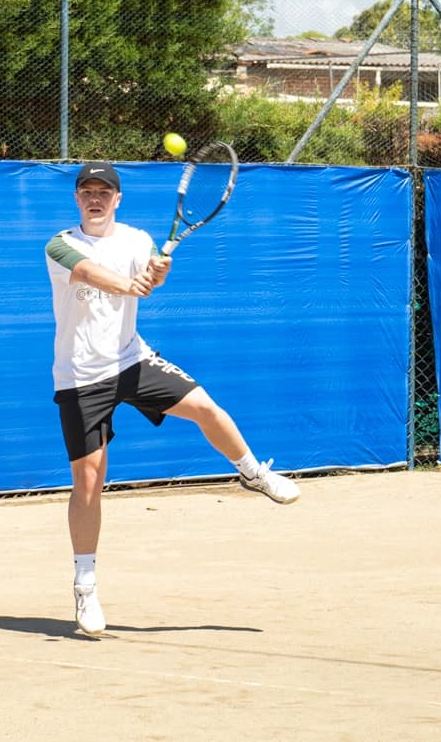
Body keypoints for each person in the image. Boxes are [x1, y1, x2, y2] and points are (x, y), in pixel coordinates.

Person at [45, 161, 300, 636]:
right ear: (77, 199)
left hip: (131, 360)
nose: (95, 198)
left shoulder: (138, 240)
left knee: (205, 406)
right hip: (80, 376)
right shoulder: (59, 245)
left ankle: (253, 473)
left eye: (104, 191)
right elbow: (90, 274)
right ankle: (85, 587)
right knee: (89, 482)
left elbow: (147, 279)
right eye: (87, 191)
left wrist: (157, 273)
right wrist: (130, 284)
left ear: (117, 199)